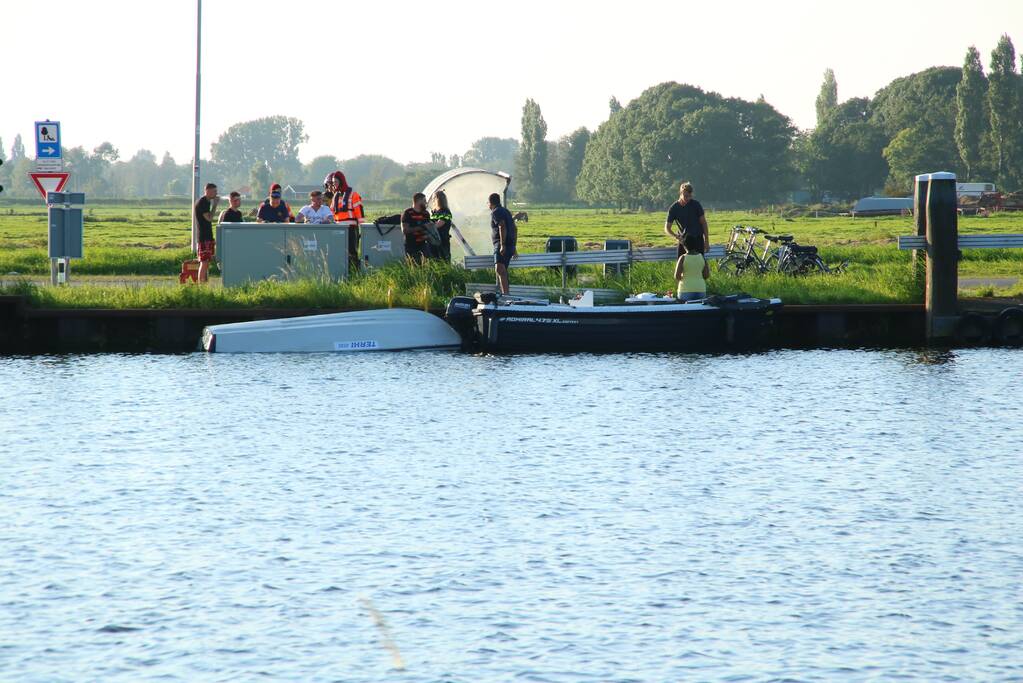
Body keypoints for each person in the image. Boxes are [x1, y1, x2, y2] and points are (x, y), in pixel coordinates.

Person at [327, 171, 364, 270]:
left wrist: (362, 229)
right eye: (333, 182)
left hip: (351, 228)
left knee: (352, 252)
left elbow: (360, 214)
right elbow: (331, 213)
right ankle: (342, 271)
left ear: (341, 181)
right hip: (338, 228)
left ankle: (354, 272)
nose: (334, 184)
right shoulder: (335, 196)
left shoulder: (354, 195)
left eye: (335, 182)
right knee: (339, 252)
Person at [664, 181, 709, 259]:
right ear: (680, 193)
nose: (688, 198)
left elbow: (703, 223)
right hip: (684, 241)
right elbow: (667, 228)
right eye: (686, 196)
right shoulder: (674, 208)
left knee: (700, 264)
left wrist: (707, 240)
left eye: (690, 196)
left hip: (698, 239)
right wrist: (676, 236)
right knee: (682, 265)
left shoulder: (696, 205)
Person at [489, 192, 517, 295]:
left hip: (502, 245)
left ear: (491, 203)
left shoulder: (495, 212)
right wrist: (514, 246)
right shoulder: (506, 211)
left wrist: (502, 244)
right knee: (503, 270)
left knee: (500, 269)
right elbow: (514, 229)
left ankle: (506, 295)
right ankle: (506, 294)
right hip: (510, 245)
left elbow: (502, 226)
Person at [193, 182, 219, 283]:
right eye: (214, 191)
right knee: (204, 263)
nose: (216, 193)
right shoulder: (202, 202)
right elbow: (209, 218)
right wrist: (215, 205)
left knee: (206, 262)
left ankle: (204, 283)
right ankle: (201, 285)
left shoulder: (206, 202)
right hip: (204, 238)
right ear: (208, 191)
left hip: (207, 236)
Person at [674, 232, 710, 301]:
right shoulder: (702, 257)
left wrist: (684, 278)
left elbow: (677, 276)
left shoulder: (682, 258)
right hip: (701, 289)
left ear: (684, 245)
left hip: (685, 290)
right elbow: (706, 275)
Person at [401, 193, 433, 264]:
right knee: (414, 266)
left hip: (423, 244)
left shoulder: (426, 214)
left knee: (428, 265)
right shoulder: (407, 213)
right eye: (424, 201)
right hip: (411, 245)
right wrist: (421, 227)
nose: (426, 203)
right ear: (418, 201)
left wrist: (429, 235)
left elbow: (428, 229)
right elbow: (405, 230)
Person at [430, 190, 454, 262]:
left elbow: (438, 225)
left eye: (434, 198)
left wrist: (427, 228)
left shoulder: (446, 212)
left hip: (442, 242)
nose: (432, 201)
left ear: (438, 199)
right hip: (433, 242)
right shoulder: (434, 212)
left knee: (444, 262)